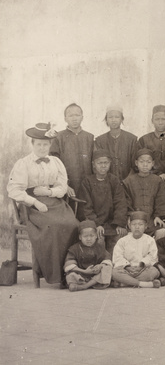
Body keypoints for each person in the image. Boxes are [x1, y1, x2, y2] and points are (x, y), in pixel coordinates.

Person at [7, 122, 80, 286]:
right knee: (53, 226)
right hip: (31, 207)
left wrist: (49, 193)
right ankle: (55, 275)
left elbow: (62, 186)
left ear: (50, 144)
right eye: (38, 144)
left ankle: (70, 271)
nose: (42, 148)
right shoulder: (23, 163)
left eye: (45, 144)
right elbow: (14, 190)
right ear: (32, 144)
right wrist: (35, 202)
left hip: (55, 202)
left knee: (73, 224)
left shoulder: (56, 162)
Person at [78, 149, 128, 255]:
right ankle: (101, 264)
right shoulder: (87, 182)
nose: (103, 166)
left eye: (106, 163)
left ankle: (113, 265)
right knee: (99, 238)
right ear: (94, 164)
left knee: (119, 237)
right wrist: (96, 224)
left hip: (112, 223)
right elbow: (86, 207)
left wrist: (119, 223)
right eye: (100, 163)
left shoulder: (114, 180)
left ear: (110, 164)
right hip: (96, 223)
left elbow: (120, 203)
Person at [122, 149, 165, 239]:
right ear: (136, 163)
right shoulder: (128, 181)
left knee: (161, 231)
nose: (145, 165)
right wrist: (130, 216)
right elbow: (125, 202)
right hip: (134, 218)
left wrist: (158, 216)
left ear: (153, 163)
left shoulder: (157, 180)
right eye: (142, 162)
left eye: (148, 162)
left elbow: (161, 201)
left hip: (152, 219)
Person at [50, 103, 94, 200]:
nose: (74, 119)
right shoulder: (58, 138)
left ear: (82, 117)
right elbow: (53, 165)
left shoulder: (89, 137)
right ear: (65, 118)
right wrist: (64, 185)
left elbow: (94, 163)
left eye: (77, 115)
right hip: (67, 186)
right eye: (70, 115)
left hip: (87, 186)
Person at [111, 211, 161, 288]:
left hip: (143, 269)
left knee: (154, 272)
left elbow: (152, 257)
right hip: (126, 270)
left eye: (140, 224)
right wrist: (127, 266)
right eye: (134, 224)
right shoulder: (122, 241)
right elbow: (118, 257)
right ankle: (143, 284)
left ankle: (126, 283)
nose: (137, 227)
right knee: (114, 272)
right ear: (129, 225)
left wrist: (141, 265)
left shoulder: (150, 240)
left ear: (146, 226)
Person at [136, 105, 165, 180]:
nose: (160, 122)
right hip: (149, 179)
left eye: (163, 119)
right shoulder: (143, 140)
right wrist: (158, 174)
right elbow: (138, 162)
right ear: (152, 120)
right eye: (157, 119)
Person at [63, 220, 113, 292]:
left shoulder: (99, 247)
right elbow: (69, 265)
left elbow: (107, 259)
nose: (89, 239)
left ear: (96, 236)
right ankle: (89, 284)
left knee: (107, 268)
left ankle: (85, 286)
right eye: (85, 236)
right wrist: (85, 271)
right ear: (80, 237)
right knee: (71, 275)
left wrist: (100, 266)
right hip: (81, 274)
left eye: (91, 236)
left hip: (95, 274)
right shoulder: (74, 248)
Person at [94, 104, 138, 181]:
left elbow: (135, 164)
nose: (113, 120)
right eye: (110, 117)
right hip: (107, 182)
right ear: (106, 119)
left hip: (128, 181)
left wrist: (128, 180)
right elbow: (98, 164)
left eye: (117, 117)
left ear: (122, 119)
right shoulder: (100, 141)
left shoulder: (131, 139)